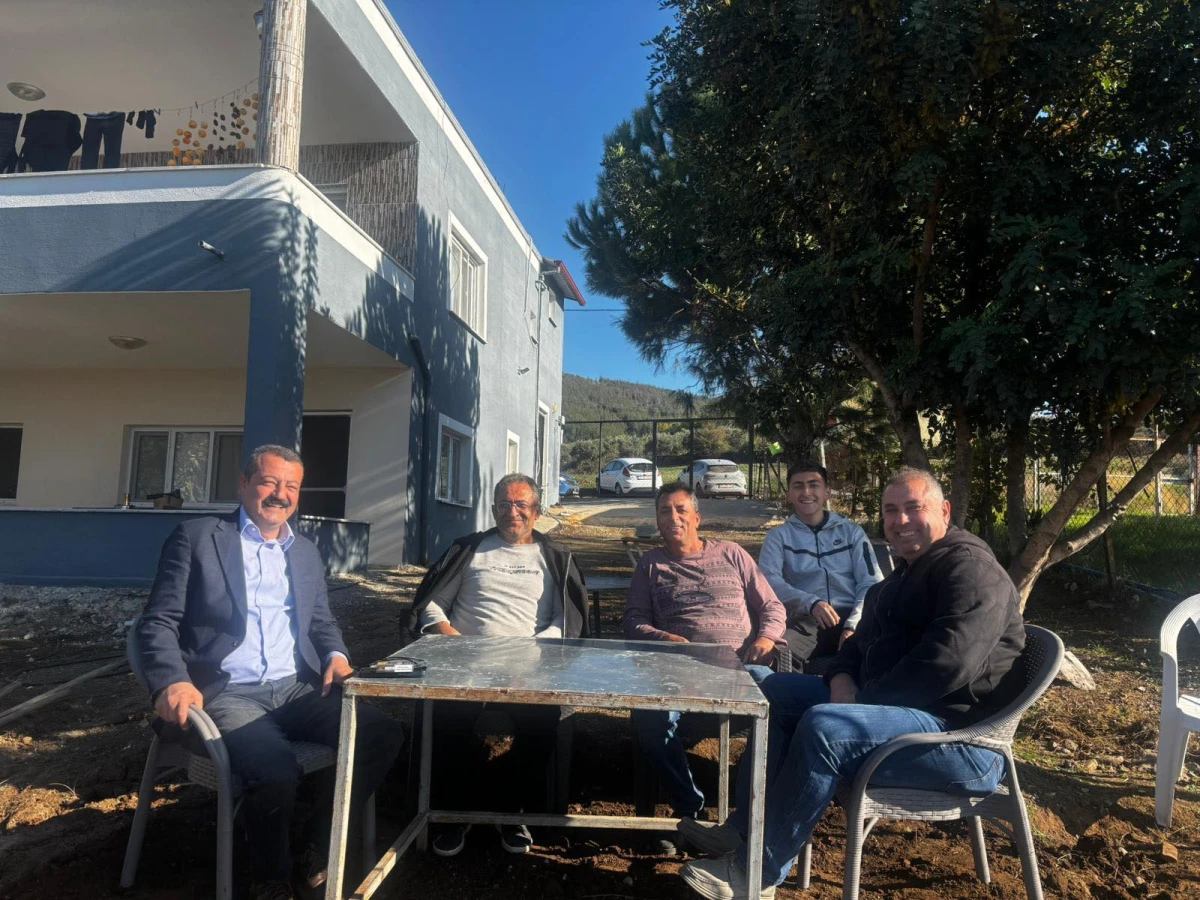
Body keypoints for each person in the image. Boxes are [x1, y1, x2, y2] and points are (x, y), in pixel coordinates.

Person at [677, 468, 1026, 900]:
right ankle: (744, 831)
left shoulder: (970, 571)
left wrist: (859, 703)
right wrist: (842, 678)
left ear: (945, 511)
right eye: (891, 510)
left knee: (827, 728)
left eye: (913, 508)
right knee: (775, 693)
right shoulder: (904, 574)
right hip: (896, 716)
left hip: (960, 740)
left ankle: (756, 874)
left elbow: (944, 666)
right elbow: (856, 644)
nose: (900, 520)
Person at [135, 445, 404, 900]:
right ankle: (271, 878)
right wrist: (171, 680)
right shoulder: (197, 537)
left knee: (381, 735)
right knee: (275, 769)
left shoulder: (305, 552)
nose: (280, 494)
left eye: (291, 486)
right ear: (243, 484)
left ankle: (314, 843)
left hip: (296, 688)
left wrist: (336, 655)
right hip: (227, 693)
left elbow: (321, 621)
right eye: (269, 482)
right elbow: (158, 622)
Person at [405, 473, 589, 858]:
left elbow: (564, 618)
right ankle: (457, 813)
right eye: (504, 504)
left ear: (537, 510)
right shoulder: (467, 550)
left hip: (529, 666)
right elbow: (433, 604)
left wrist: (533, 651)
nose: (512, 512)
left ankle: (510, 811)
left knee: (542, 724)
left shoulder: (555, 557)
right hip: (465, 663)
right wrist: (449, 635)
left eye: (521, 504)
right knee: (445, 721)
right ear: (493, 510)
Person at [624, 482, 787, 820]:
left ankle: (751, 814)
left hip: (740, 668)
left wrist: (767, 638)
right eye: (665, 511)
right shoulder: (650, 565)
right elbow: (633, 621)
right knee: (648, 718)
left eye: (681, 510)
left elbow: (772, 606)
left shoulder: (732, 553)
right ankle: (690, 807)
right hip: (678, 672)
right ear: (657, 521)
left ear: (697, 518)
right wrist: (663, 638)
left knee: (783, 708)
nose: (674, 517)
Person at [758, 460, 883, 669]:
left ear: (827, 492)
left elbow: (871, 582)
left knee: (880, 656)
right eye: (798, 486)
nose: (806, 492)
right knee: (778, 657)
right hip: (807, 621)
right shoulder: (778, 537)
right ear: (789, 495)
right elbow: (769, 583)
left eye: (813, 485)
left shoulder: (852, 533)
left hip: (855, 616)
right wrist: (811, 603)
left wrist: (854, 624)